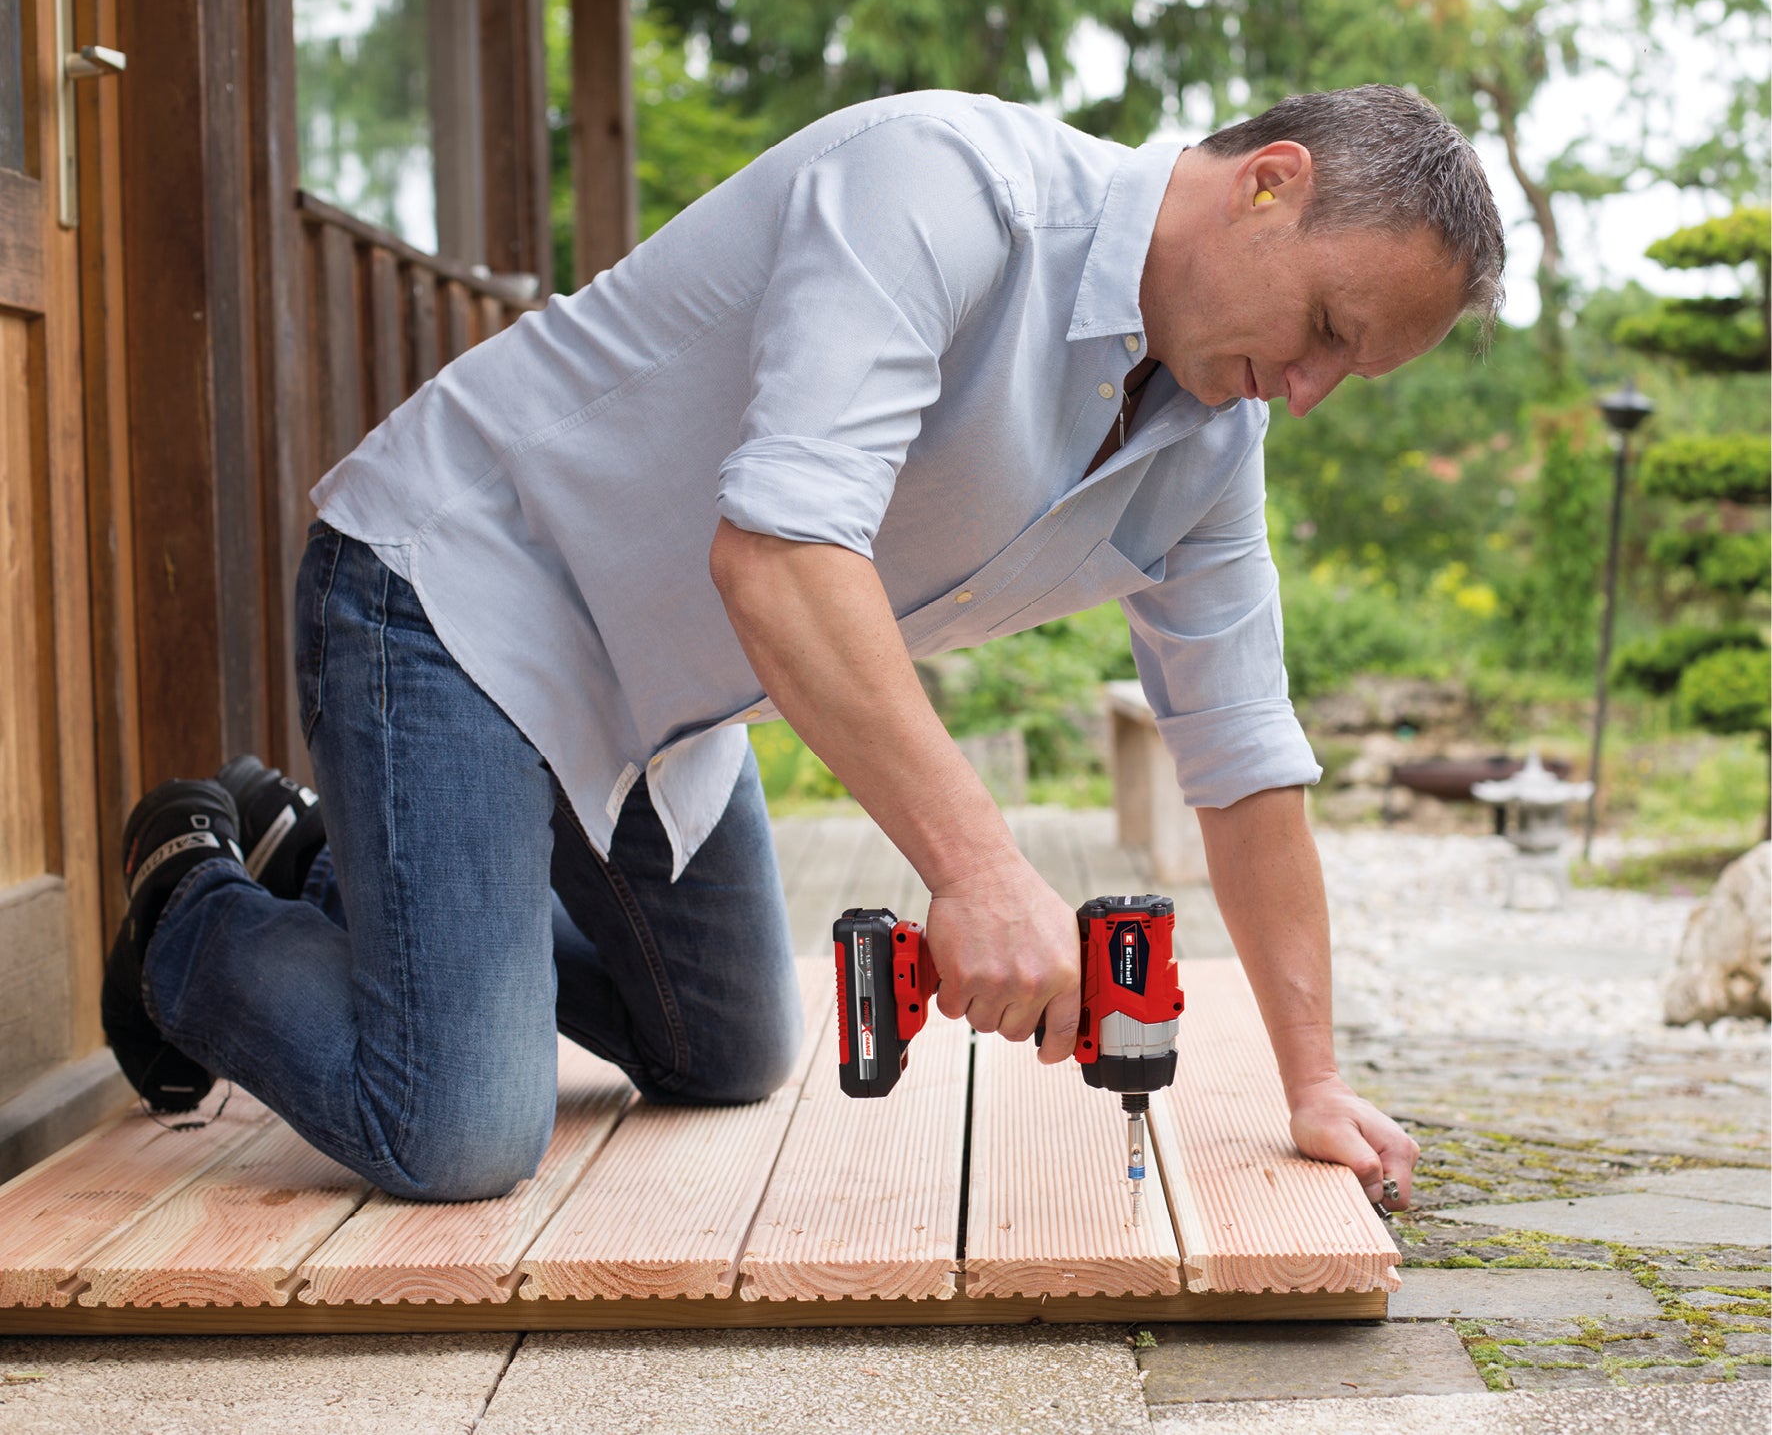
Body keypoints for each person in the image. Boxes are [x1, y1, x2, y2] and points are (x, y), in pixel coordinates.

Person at [103, 84, 1502, 1207]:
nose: (1309, 393)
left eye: (1346, 372)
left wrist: (1313, 1083)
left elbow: (1246, 754)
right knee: (458, 1128)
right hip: (460, 592)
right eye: (1325, 328)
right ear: (1270, 182)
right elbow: (778, 558)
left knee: (723, 1049)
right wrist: (982, 870)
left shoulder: (1208, 441)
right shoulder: (946, 186)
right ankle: (194, 903)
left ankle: (329, 865)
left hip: (668, 701)